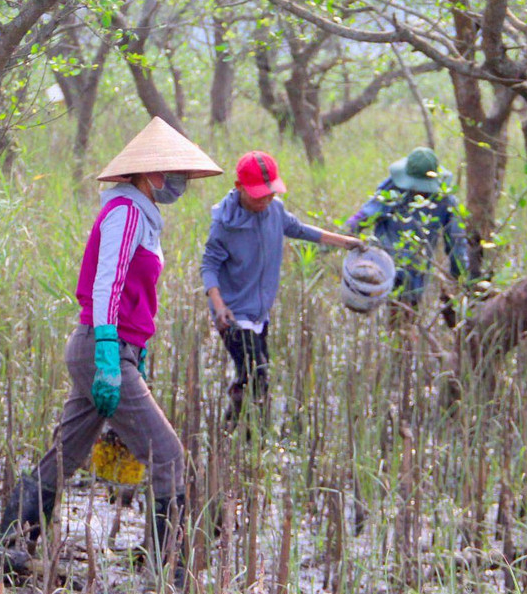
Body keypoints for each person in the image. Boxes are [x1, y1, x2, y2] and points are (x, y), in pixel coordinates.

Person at [0, 117, 223, 581]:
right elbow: (108, 282)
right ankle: (168, 570)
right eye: (172, 172)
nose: (177, 182)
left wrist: (129, 352)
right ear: (151, 172)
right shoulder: (126, 212)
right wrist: (107, 352)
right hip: (100, 346)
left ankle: (12, 543)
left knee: (67, 453)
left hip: (113, 347)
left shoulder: (140, 214)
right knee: (168, 455)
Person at [201, 150, 363, 427]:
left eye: (270, 193)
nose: (265, 200)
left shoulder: (274, 210)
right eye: (258, 195)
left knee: (252, 376)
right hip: (233, 314)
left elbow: (298, 229)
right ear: (239, 188)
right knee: (258, 374)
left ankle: (236, 432)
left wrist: (345, 241)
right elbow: (209, 266)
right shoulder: (224, 225)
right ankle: (245, 436)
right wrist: (219, 306)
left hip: (259, 312)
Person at [344, 147, 469, 314]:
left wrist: (462, 275)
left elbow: (456, 241)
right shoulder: (392, 189)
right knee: (385, 313)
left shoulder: (445, 200)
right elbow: (365, 215)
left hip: (417, 272)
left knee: (407, 314)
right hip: (384, 267)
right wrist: (336, 238)